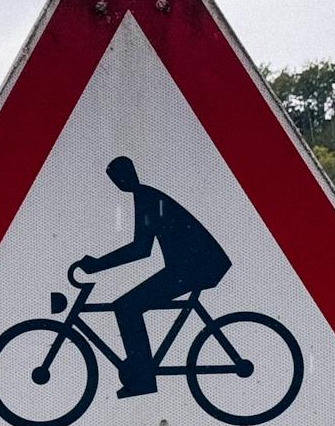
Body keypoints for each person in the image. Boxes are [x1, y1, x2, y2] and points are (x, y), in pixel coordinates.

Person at [78, 156, 231, 398]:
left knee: (126, 307)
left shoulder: (147, 198)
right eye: (114, 179)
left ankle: (143, 379)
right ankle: (144, 373)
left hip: (197, 266)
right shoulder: (147, 195)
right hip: (194, 265)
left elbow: (141, 249)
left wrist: (99, 265)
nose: (118, 183)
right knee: (128, 305)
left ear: (126, 175)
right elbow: (143, 248)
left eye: (118, 177)